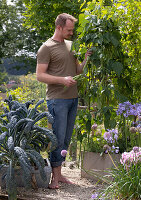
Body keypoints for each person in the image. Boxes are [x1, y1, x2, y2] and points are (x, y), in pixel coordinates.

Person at [36, 13, 91, 189]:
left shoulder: (70, 45)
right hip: (57, 100)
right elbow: (39, 75)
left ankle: (59, 175)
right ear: (59, 27)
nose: (71, 32)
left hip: (72, 99)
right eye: (69, 29)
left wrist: (86, 58)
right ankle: (54, 178)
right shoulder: (46, 47)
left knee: (66, 139)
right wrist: (62, 80)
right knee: (57, 139)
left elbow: (78, 70)